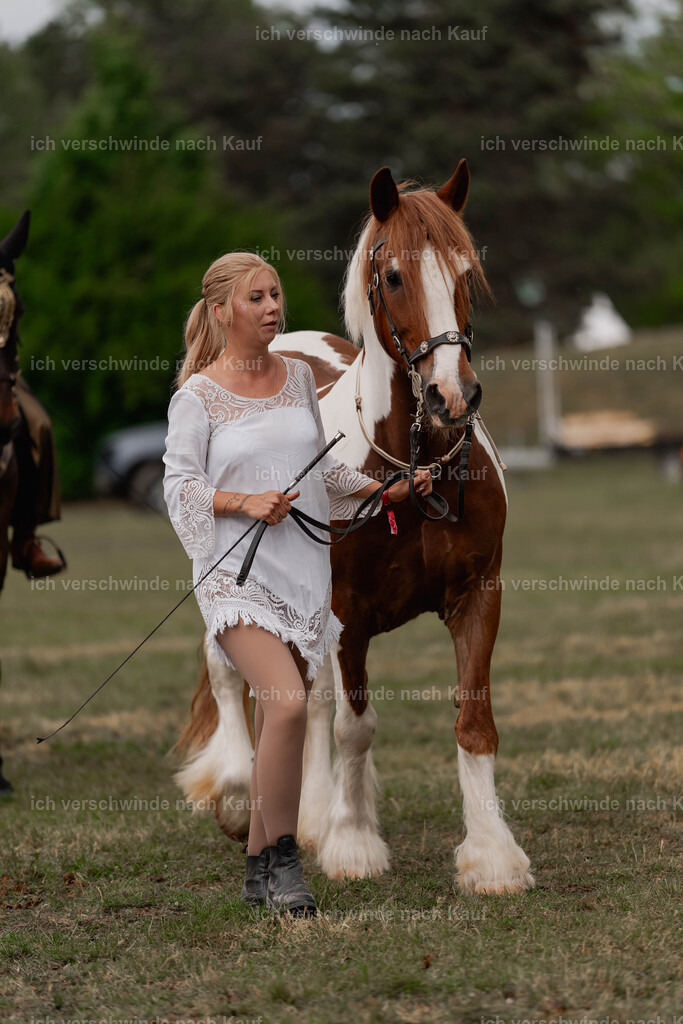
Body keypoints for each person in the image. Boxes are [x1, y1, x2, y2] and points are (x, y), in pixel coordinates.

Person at [163, 252, 432, 917]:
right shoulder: (196, 395)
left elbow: (323, 474)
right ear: (222, 310)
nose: (272, 307)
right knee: (285, 708)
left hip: (302, 577)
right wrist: (241, 501)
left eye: (276, 294)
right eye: (256, 297)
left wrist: (385, 489)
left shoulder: (295, 382)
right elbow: (180, 489)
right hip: (236, 577)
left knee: (281, 716)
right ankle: (283, 861)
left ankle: (257, 868)